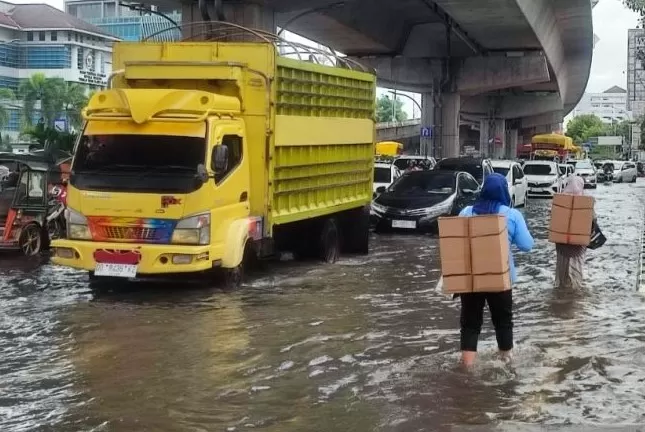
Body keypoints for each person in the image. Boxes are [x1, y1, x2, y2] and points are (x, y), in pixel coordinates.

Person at [457, 173, 534, 367]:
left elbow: (455, 242)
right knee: (503, 322)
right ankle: (505, 364)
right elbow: (527, 245)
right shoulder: (511, 215)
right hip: (500, 279)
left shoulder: (466, 212)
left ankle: (467, 368)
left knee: (470, 325)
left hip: (471, 278)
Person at [554, 176, 589, 290]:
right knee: (576, 279)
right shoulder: (586, 204)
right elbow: (592, 221)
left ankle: (561, 293)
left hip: (561, 247)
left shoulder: (560, 202)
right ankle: (574, 296)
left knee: (562, 275)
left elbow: (553, 223)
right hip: (578, 248)